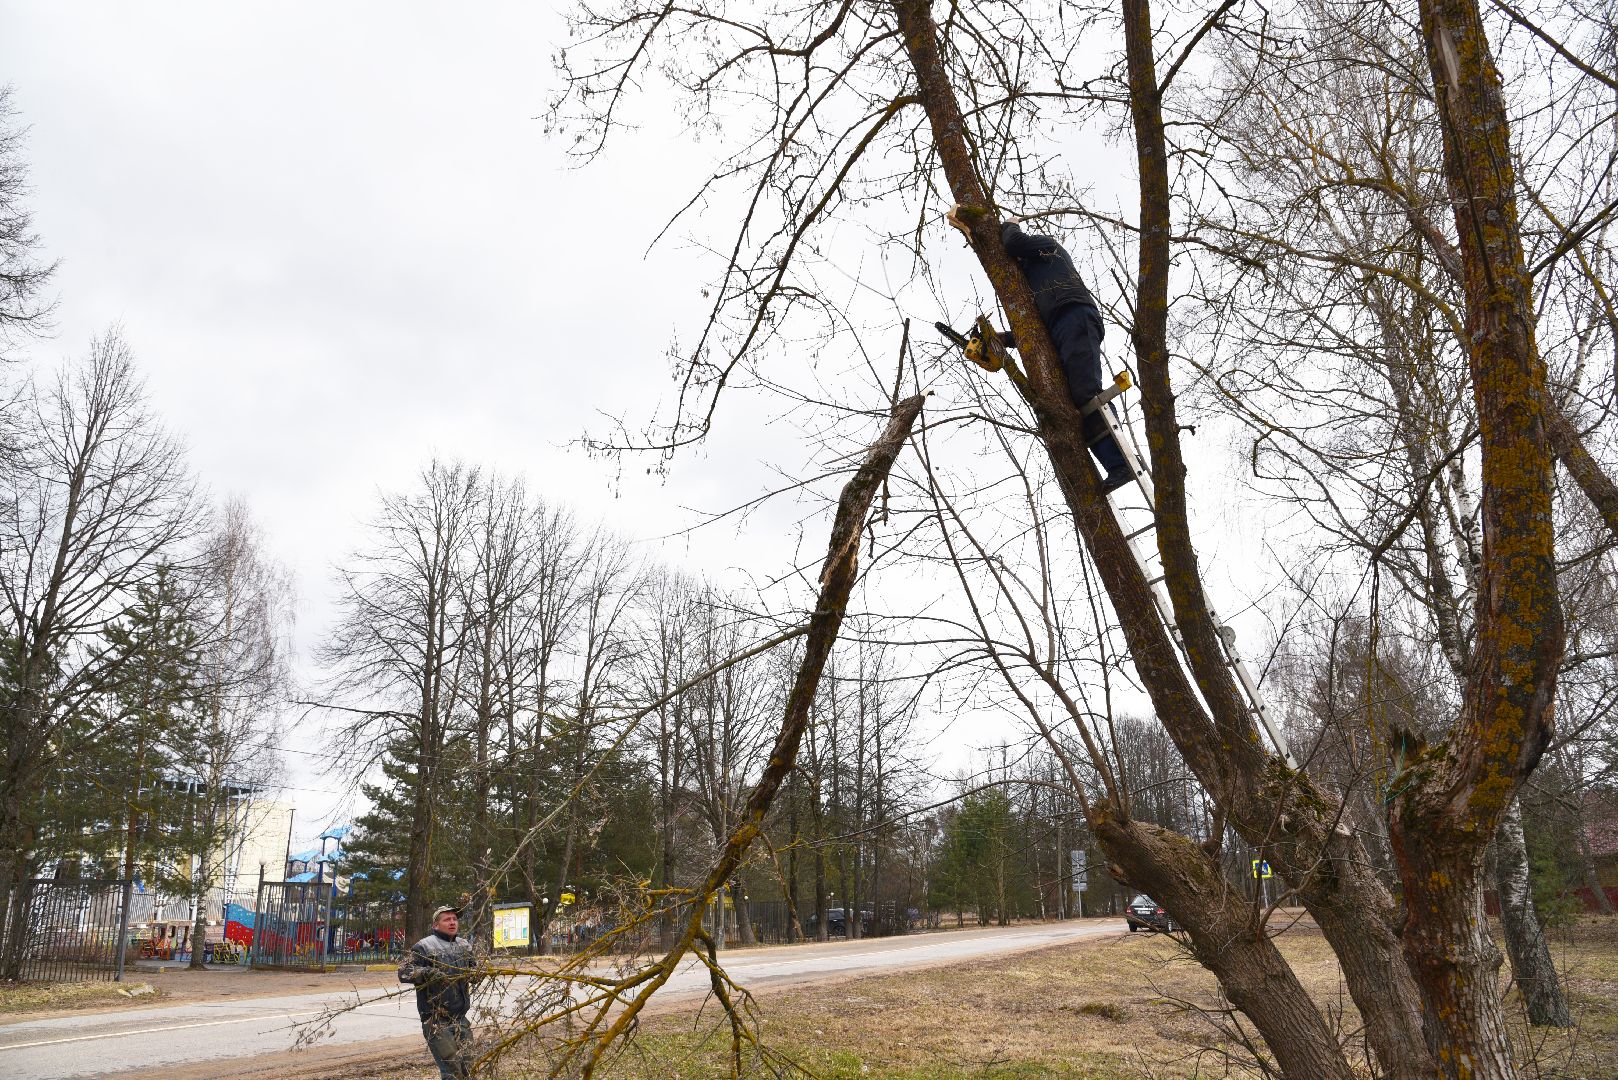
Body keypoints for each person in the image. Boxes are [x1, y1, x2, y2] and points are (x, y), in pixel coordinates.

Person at [947, 205, 1133, 492]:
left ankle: (1121, 464)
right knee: (1073, 404)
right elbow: (1035, 332)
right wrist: (999, 339)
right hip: (1061, 325)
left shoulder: (1048, 247)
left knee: (1086, 392)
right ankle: (1114, 464)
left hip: (1076, 315)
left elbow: (1013, 242)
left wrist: (1010, 223)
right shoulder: (1038, 285)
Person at [399, 904, 479, 1080]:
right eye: (447, 919)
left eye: (454, 919)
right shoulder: (424, 946)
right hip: (436, 1021)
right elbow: (404, 971)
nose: (452, 922)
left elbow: (473, 968)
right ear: (435, 925)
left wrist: (476, 974)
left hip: (460, 1019)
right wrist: (426, 973)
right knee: (452, 1071)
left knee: (470, 1067)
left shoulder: (464, 945)